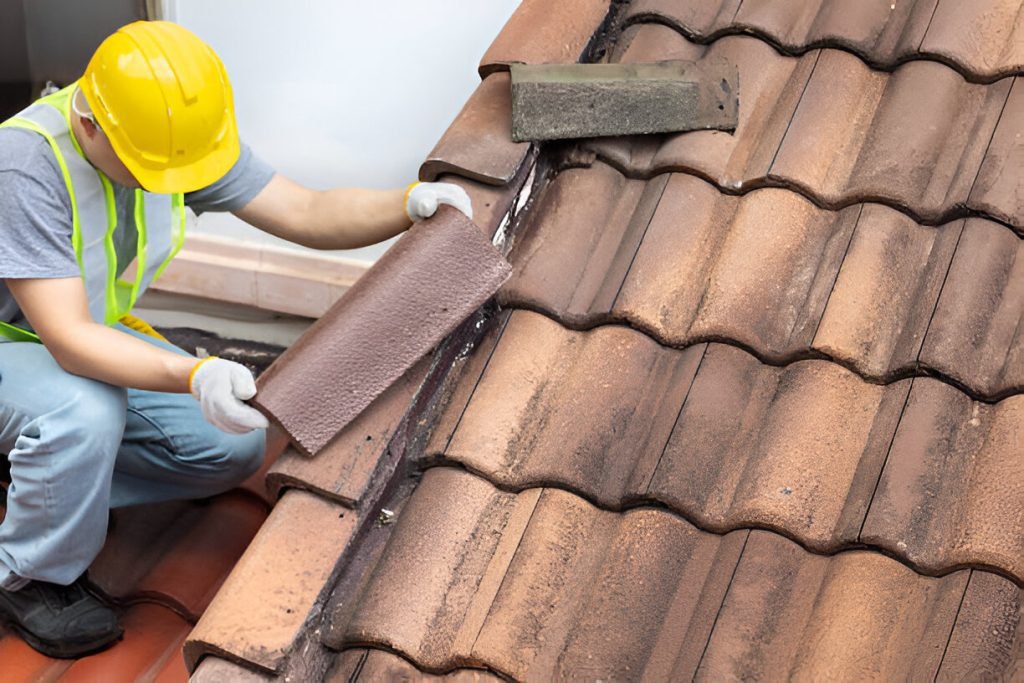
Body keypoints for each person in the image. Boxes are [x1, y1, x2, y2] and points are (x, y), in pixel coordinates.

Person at [0, 20, 471, 658]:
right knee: (83, 413)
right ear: (90, 125)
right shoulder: (25, 166)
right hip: (35, 342)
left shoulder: (166, 135)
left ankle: (53, 482)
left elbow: (306, 211)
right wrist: (193, 375)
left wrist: (408, 203)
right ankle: (29, 574)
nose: (168, 182)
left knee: (232, 444)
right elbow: (69, 341)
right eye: (151, 170)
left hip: (68, 336)